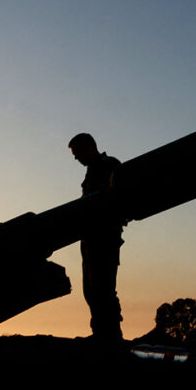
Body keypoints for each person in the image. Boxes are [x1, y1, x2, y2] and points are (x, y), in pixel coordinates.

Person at [69, 133, 124, 342]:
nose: (76, 159)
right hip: (90, 239)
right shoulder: (93, 171)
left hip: (105, 238)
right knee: (92, 290)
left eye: (77, 154)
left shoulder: (110, 166)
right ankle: (100, 332)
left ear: (89, 147)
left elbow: (114, 199)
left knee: (104, 288)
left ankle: (109, 336)